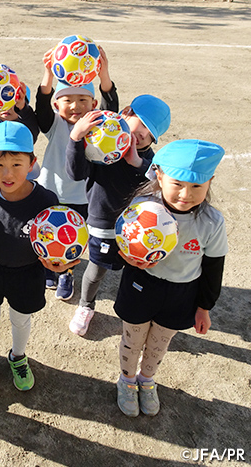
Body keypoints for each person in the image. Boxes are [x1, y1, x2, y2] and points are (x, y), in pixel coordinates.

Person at [0, 122, 78, 403]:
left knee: (21, 320)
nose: (7, 174)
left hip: (27, 273)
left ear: (32, 163)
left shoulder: (46, 200)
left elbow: (56, 245)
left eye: (17, 164)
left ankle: (18, 357)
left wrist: (59, 266)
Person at [111, 139, 227, 417]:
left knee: (159, 344)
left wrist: (204, 307)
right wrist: (126, 258)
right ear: (159, 176)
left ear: (210, 182)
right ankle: (127, 380)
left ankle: (147, 380)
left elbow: (213, 268)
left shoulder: (211, 222)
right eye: (178, 184)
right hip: (141, 286)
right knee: (133, 340)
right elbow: (120, 246)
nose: (186, 194)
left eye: (197, 186)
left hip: (181, 294)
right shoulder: (141, 209)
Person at [66, 94, 171, 336]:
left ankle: (135, 310)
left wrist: (137, 163)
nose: (143, 134)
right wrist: (76, 138)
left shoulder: (150, 160)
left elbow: (160, 186)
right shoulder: (101, 143)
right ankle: (85, 306)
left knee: (137, 272)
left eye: (150, 133)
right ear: (125, 113)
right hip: (103, 223)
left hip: (138, 229)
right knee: (96, 271)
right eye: (142, 124)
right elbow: (75, 173)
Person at [35, 45, 118, 302]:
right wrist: (49, 73)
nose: (75, 106)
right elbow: (41, 105)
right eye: (67, 100)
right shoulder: (54, 123)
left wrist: (104, 75)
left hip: (82, 197)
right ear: (57, 104)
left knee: (73, 237)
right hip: (51, 190)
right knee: (48, 232)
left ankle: (66, 272)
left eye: (83, 100)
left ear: (93, 104)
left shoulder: (98, 125)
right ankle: (49, 266)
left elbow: (111, 106)